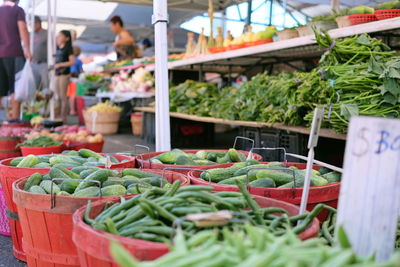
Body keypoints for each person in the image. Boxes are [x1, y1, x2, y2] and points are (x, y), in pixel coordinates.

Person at [0, 0, 31, 119]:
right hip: (14, 52)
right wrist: (27, 49)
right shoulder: (17, 10)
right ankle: (14, 121)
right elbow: (22, 29)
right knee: (16, 88)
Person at [54, 30, 75, 123]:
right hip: (57, 74)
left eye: (61, 35)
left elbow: (72, 62)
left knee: (63, 96)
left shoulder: (68, 48)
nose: (59, 37)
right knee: (57, 95)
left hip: (64, 74)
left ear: (67, 38)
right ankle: (58, 114)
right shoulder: (57, 47)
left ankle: (63, 116)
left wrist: (61, 64)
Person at [32, 16, 48, 90]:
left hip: (44, 63)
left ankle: (47, 100)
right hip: (33, 63)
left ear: (38, 23)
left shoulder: (46, 34)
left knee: (46, 85)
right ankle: (36, 101)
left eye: (33, 24)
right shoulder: (31, 34)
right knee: (35, 85)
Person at [67, 46, 83, 116]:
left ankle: (69, 110)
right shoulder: (78, 61)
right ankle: (73, 110)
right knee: (73, 95)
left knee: (69, 95)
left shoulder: (68, 60)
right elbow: (81, 71)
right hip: (75, 80)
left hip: (68, 79)